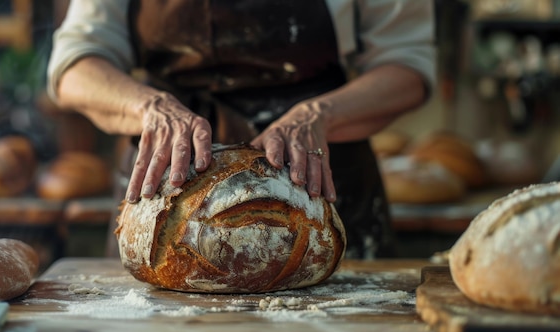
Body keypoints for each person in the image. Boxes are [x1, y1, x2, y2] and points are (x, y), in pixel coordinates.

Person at [47, 0, 436, 259]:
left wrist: (319, 114)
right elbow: (75, 66)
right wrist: (151, 107)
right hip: (167, 184)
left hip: (315, 182)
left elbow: (406, 62)